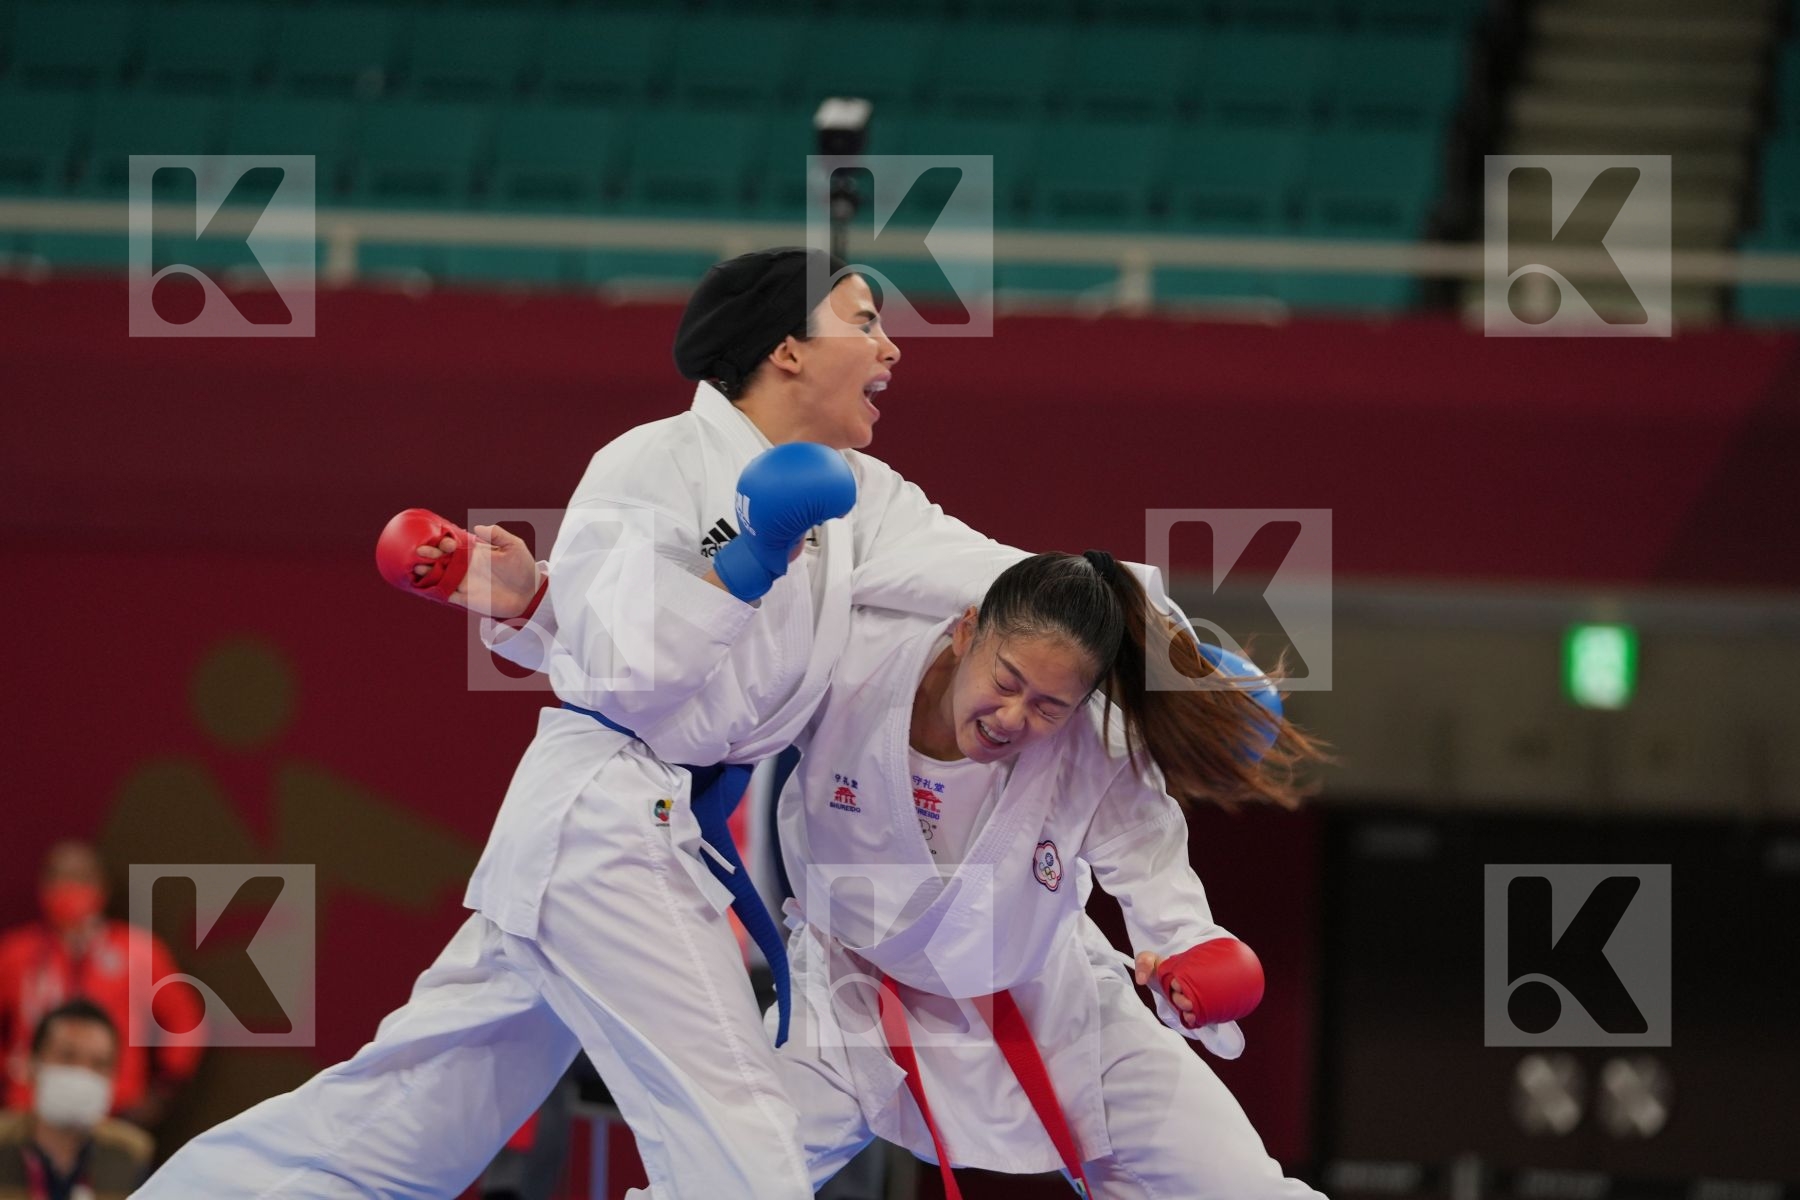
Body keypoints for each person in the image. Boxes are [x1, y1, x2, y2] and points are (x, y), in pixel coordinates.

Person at [139, 248, 1195, 1200]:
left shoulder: (863, 496)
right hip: (606, 818)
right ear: (787, 347)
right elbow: (623, 673)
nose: (890, 345)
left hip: (663, 828)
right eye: (862, 318)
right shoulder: (648, 464)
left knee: (413, 1115)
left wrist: (1182, 643)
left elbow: (1006, 573)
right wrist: (748, 551)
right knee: (739, 1146)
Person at [754, 551, 1331, 1198]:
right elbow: (714, 709)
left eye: (1049, 706)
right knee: (723, 1173)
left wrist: (1189, 953)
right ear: (967, 629)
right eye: (1005, 681)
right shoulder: (855, 661)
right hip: (849, 994)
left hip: (1048, 998)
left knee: (1244, 1187)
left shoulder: (1096, 747)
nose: (1012, 718)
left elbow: (1153, 870)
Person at [0, 843, 202, 1131]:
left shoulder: (139, 951)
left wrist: (165, 1088)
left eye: (81, 879)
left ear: (103, 887)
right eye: (60, 878)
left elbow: (184, 1019)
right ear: (43, 886)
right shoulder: (16, 953)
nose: (70, 889)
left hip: (115, 1110)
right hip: (29, 1108)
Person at [0, 999, 153, 1200]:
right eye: (67, 1057)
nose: (82, 1072)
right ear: (32, 1064)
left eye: (99, 1064)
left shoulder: (131, 1156)